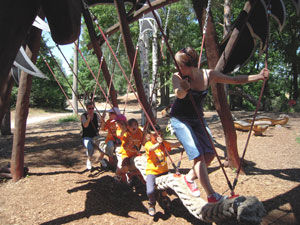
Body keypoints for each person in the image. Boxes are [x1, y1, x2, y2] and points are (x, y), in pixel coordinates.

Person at [170, 47, 269, 203]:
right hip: (180, 119)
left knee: (210, 153)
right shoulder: (177, 77)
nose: (177, 68)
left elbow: (235, 80)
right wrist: (182, 88)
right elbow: (179, 95)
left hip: (197, 118)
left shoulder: (209, 75)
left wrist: (259, 76)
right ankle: (211, 194)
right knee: (198, 155)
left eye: (178, 65)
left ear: (187, 65)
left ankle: (189, 178)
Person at [144, 124, 181, 216]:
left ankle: (163, 196)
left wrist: (183, 141)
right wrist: (158, 143)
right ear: (149, 136)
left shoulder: (163, 143)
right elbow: (152, 149)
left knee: (171, 187)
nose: (158, 136)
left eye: (159, 134)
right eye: (155, 135)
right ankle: (152, 203)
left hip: (164, 171)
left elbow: (173, 144)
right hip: (152, 172)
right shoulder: (148, 144)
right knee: (150, 191)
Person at [114, 118, 145, 182]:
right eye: (131, 126)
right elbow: (125, 147)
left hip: (135, 154)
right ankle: (119, 175)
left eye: (135, 125)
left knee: (142, 167)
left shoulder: (139, 132)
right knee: (124, 168)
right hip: (126, 155)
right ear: (128, 127)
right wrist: (129, 143)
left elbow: (144, 143)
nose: (134, 127)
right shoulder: (126, 134)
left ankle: (131, 175)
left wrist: (145, 136)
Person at [81, 101, 101, 170]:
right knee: (90, 148)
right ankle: (89, 160)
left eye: (92, 108)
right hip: (86, 136)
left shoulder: (96, 115)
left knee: (102, 147)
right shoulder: (83, 116)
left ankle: (101, 159)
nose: (91, 110)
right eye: (89, 108)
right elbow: (85, 125)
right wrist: (88, 119)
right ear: (87, 108)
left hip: (95, 135)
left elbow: (102, 124)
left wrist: (103, 118)